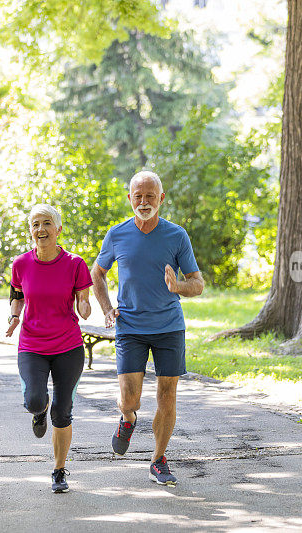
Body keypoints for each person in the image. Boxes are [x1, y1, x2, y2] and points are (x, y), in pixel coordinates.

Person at [90, 170, 204, 486]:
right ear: (130, 198)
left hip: (169, 328)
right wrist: (106, 308)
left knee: (167, 395)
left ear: (161, 199)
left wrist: (178, 285)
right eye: (138, 196)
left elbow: (198, 283)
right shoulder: (117, 234)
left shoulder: (177, 236)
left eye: (150, 196)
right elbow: (96, 273)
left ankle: (158, 459)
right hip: (130, 328)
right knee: (130, 400)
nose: (144, 202)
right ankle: (127, 419)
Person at [6, 204, 92, 493]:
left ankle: (58, 469)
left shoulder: (75, 263)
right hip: (32, 343)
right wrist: (14, 316)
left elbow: (82, 297)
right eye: (35, 224)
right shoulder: (20, 264)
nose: (40, 230)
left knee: (63, 411)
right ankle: (38, 411)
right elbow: (17, 296)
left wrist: (85, 305)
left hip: (68, 344)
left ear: (58, 229)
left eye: (46, 224)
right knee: (33, 399)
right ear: (30, 230)